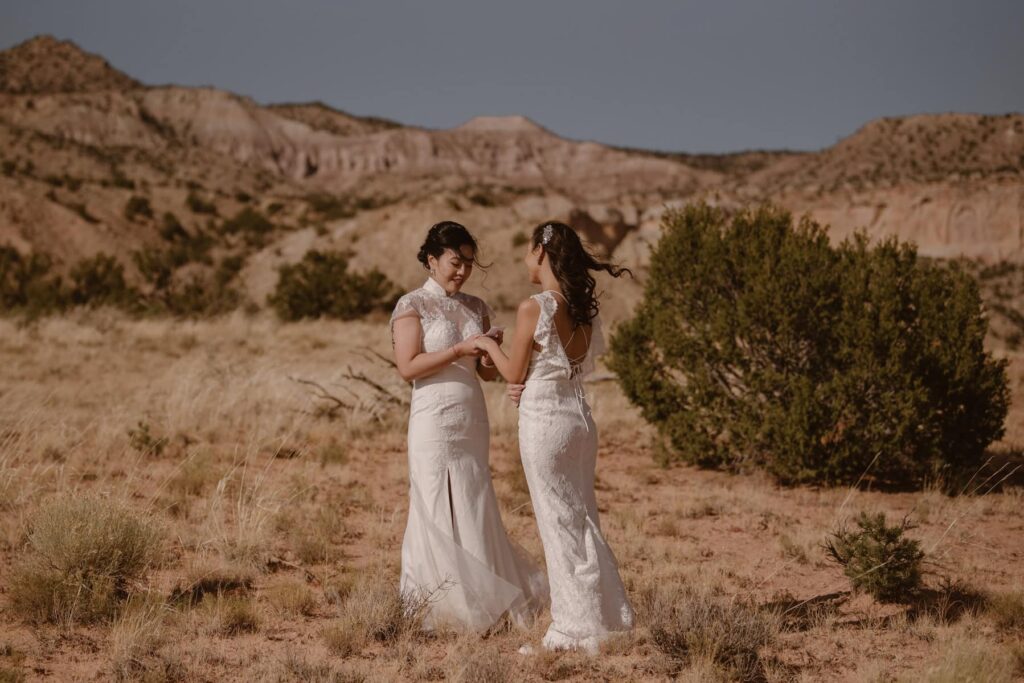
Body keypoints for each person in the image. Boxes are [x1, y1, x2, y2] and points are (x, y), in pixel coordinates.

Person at [473, 221, 635, 653]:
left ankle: (572, 630)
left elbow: (511, 371)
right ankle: (607, 616)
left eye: (528, 251)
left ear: (541, 252)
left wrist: (486, 344)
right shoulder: (581, 308)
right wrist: (521, 378)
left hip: (545, 424)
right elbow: (553, 367)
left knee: (558, 525)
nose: (525, 260)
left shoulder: (535, 307)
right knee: (582, 521)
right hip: (579, 421)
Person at [389, 220, 548, 632]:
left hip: (471, 417)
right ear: (432, 260)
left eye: (468, 264)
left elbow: (487, 375)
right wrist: (460, 347)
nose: (461, 271)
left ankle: (486, 598)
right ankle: (439, 601)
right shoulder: (412, 304)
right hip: (432, 419)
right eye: (454, 262)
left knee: (474, 497)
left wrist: (490, 350)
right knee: (433, 497)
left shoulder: (476, 307)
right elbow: (407, 367)